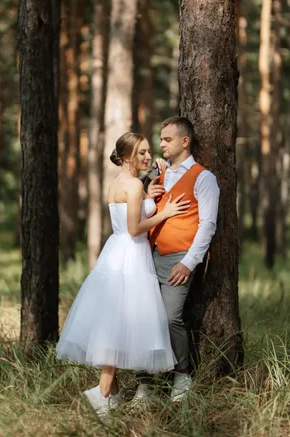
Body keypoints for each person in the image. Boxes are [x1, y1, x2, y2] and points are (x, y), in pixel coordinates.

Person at [56, 132, 191, 416]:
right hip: (131, 252)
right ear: (128, 155)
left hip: (116, 251)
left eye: (148, 151)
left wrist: (151, 184)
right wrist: (164, 213)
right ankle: (103, 392)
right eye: (141, 152)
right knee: (121, 323)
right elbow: (134, 227)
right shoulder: (131, 185)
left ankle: (110, 393)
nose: (146, 156)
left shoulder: (122, 182)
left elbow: (138, 201)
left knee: (115, 323)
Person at [134, 116, 220, 403]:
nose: (161, 144)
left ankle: (182, 376)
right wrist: (149, 192)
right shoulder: (158, 177)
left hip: (179, 259)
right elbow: (141, 216)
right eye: (160, 139)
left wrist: (190, 262)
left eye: (167, 139)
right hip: (149, 256)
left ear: (185, 141)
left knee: (171, 317)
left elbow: (208, 224)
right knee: (144, 318)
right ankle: (145, 384)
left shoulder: (204, 177)